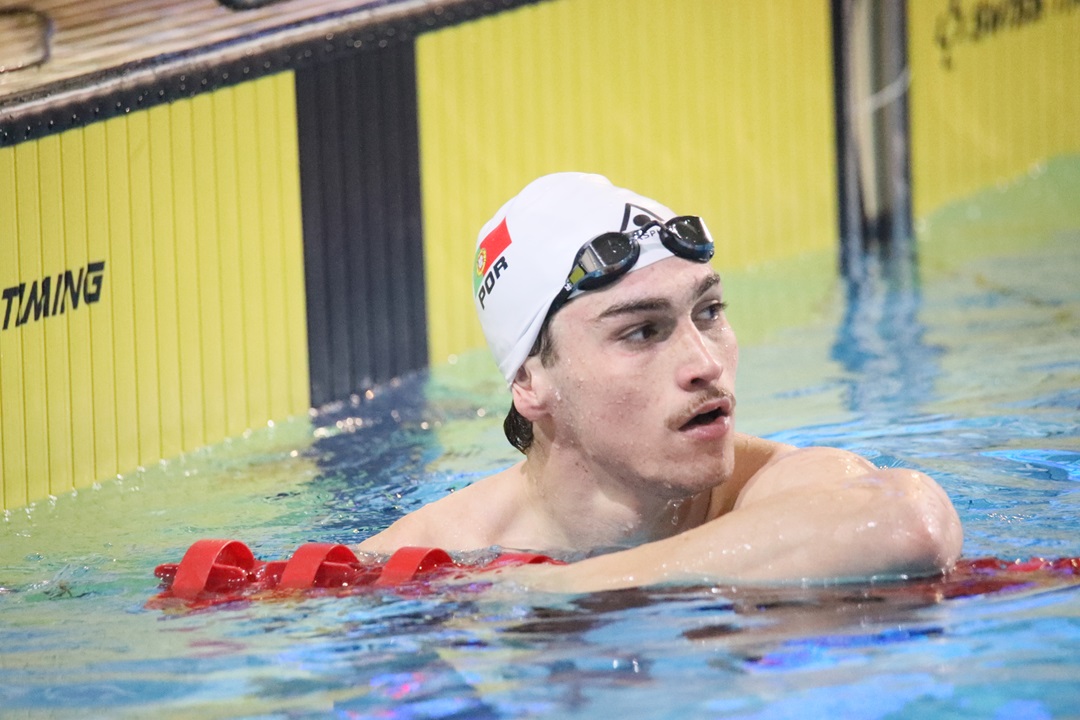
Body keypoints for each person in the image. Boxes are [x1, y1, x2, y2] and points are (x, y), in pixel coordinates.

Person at [359, 172, 962, 592]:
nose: (705, 363)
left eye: (709, 312)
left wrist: (563, 588)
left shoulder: (784, 487)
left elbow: (907, 522)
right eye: (642, 332)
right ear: (529, 382)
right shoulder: (416, 560)